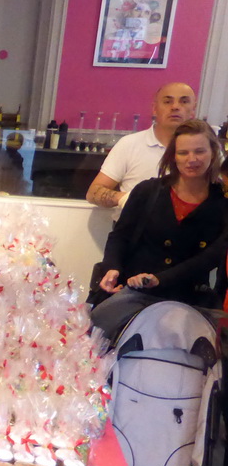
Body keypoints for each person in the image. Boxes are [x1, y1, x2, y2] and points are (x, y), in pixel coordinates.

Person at [89, 119, 228, 341]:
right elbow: (120, 236)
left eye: (199, 151)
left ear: (213, 152)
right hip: (134, 293)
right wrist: (112, 268)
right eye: (183, 153)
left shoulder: (222, 203)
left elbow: (210, 258)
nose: (192, 159)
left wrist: (158, 279)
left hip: (189, 301)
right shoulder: (148, 191)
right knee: (94, 340)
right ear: (173, 156)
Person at [85, 82, 197, 219]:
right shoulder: (129, 144)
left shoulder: (206, 150)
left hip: (189, 233)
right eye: (167, 101)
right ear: (155, 108)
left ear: (193, 109)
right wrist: (126, 199)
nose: (175, 107)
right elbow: (93, 192)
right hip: (133, 234)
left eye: (184, 101)